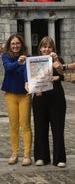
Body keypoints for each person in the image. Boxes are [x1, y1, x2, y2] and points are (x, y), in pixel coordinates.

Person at [31, 36, 66, 168]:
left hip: (56, 97)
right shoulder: (34, 62)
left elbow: (62, 74)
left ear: (53, 48)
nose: (46, 49)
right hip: (40, 97)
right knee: (40, 127)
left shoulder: (58, 59)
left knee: (57, 128)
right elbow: (31, 79)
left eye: (49, 46)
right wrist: (33, 87)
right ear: (40, 49)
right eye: (44, 46)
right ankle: (41, 157)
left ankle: (59, 158)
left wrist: (57, 63)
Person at [1, 34, 32, 166]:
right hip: (11, 94)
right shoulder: (6, 56)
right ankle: (15, 153)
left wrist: (28, 82)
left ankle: (27, 154)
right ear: (9, 45)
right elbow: (8, 67)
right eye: (13, 44)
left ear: (22, 44)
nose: (15, 46)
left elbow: (29, 72)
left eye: (17, 43)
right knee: (13, 125)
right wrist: (18, 62)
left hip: (25, 95)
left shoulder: (28, 57)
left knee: (25, 125)